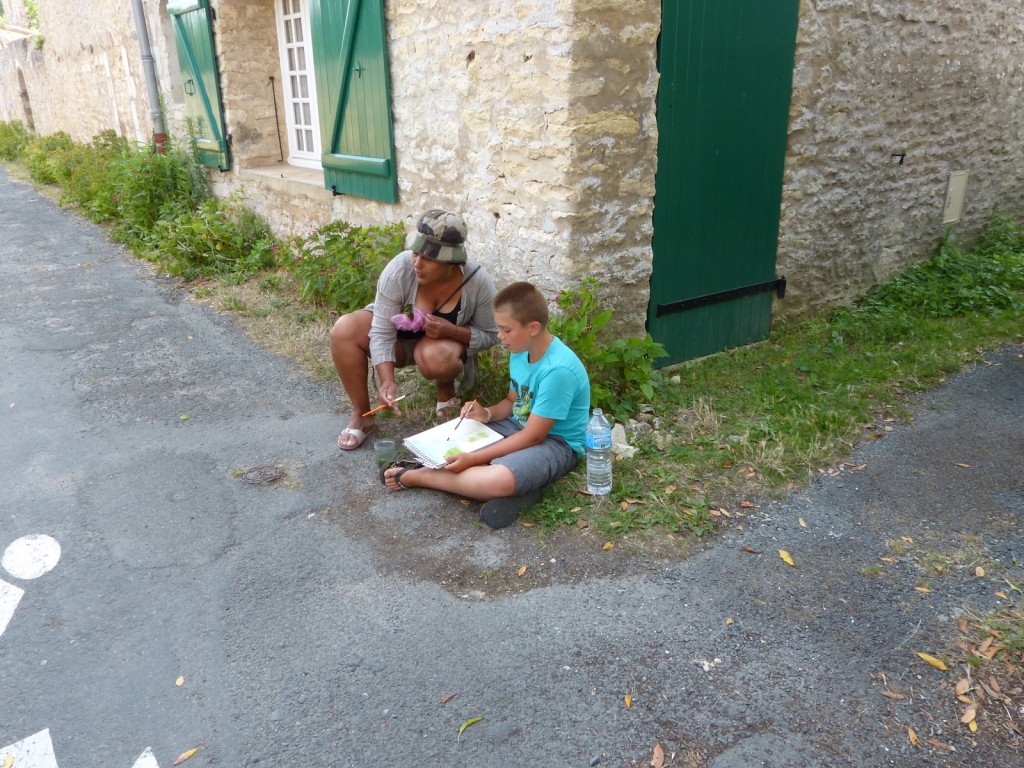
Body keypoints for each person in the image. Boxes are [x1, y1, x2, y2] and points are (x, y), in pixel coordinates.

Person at [383, 281, 591, 529]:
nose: (500, 337)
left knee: (498, 480)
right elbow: (513, 402)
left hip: (556, 443)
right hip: (517, 427)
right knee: (455, 436)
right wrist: (487, 414)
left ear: (533, 328)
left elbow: (533, 436)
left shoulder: (558, 370)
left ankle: (423, 476)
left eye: (506, 330)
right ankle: (516, 486)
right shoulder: (520, 350)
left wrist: (473, 458)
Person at [330, 209, 499, 450]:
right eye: (416, 253)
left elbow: (491, 335)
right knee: (344, 330)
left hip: (440, 348)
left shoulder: (477, 281)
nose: (417, 263)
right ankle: (362, 415)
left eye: (429, 258)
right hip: (398, 344)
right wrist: (387, 380)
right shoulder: (400, 268)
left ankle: (445, 388)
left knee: (436, 357)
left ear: (451, 260)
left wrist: (452, 331)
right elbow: (380, 331)